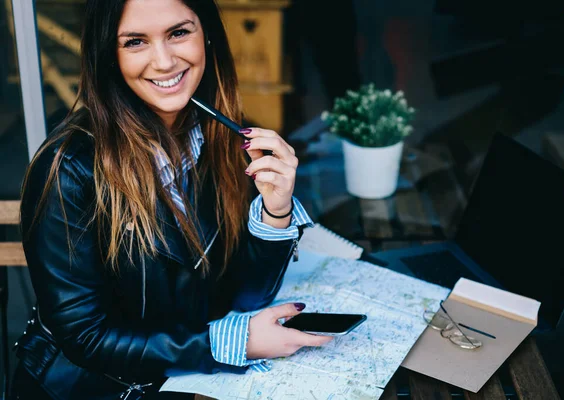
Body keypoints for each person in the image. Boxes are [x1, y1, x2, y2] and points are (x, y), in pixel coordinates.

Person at [10, 0, 332, 398]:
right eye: (134, 42)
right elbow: (85, 338)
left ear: (207, 35)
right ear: (107, 55)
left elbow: (246, 297)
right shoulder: (68, 170)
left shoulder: (222, 139)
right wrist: (230, 343)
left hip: (180, 381)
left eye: (179, 32)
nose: (163, 62)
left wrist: (276, 211)